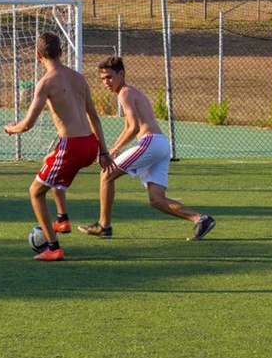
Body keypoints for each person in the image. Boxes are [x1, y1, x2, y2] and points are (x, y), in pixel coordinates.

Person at [78, 56, 216, 241]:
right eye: (102, 79)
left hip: (150, 143)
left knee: (106, 174)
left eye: (109, 77)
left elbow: (134, 127)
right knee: (156, 200)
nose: (106, 82)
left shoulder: (124, 93)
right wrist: (114, 148)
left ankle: (104, 226)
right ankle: (201, 219)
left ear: (121, 74)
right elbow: (129, 127)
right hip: (160, 145)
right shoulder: (130, 92)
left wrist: (113, 149)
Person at [4, 32, 113, 261]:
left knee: (35, 192)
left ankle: (53, 248)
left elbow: (28, 124)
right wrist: (103, 151)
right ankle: (62, 220)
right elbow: (94, 116)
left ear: (37, 55)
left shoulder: (46, 82)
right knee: (50, 164)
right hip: (90, 144)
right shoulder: (78, 77)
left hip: (72, 146)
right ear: (61, 53)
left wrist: (12, 128)